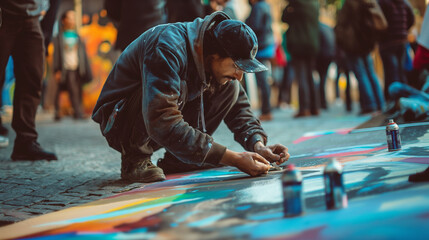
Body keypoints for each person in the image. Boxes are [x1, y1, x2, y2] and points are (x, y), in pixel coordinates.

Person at [92, 12, 290, 183]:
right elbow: (162, 118)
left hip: (157, 118)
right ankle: (134, 160)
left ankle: (181, 161)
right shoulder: (167, 47)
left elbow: (240, 109)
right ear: (214, 56)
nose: (240, 76)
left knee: (230, 88)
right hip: (119, 120)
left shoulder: (209, 56)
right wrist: (233, 158)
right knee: (157, 93)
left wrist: (258, 144)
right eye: (237, 67)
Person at [0, 0, 57, 160]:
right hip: (4, 13)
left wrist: (46, 24)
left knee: (32, 78)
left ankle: (26, 141)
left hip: (32, 17)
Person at [335, 0, 385, 115]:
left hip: (354, 44)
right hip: (367, 43)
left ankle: (370, 105)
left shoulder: (350, 3)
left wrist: (342, 41)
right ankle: (380, 104)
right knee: (371, 73)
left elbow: (341, 23)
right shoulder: (369, 2)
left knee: (361, 74)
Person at [282, 0, 320, 118]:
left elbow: (284, 18)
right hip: (312, 43)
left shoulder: (295, 4)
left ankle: (304, 108)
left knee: (302, 75)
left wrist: (288, 7)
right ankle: (315, 107)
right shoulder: (315, 4)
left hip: (298, 43)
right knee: (310, 75)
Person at [53, 10, 92, 121]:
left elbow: (82, 55)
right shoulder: (59, 37)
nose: (72, 20)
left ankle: (76, 112)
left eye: (74, 17)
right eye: (70, 17)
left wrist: (84, 68)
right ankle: (74, 113)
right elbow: (56, 55)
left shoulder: (77, 36)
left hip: (77, 68)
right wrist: (57, 69)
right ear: (63, 20)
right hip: (65, 68)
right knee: (66, 90)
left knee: (77, 90)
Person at [378, 0, 415, 101]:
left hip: (388, 41)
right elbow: (411, 17)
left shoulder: (382, 2)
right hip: (401, 40)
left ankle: (396, 101)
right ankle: (404, 99)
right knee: (400, 71)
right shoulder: (403, 2)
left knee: (392, 73)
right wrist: (403, 30)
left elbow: (377, 20)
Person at [246, 0, 275, 121]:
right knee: (264, 80)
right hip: (266, 45)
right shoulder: (266, 6)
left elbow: (255, 26)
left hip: (261, 46)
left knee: (262, 80)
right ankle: (266, 109)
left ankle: (266, 110)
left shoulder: (258, 7)